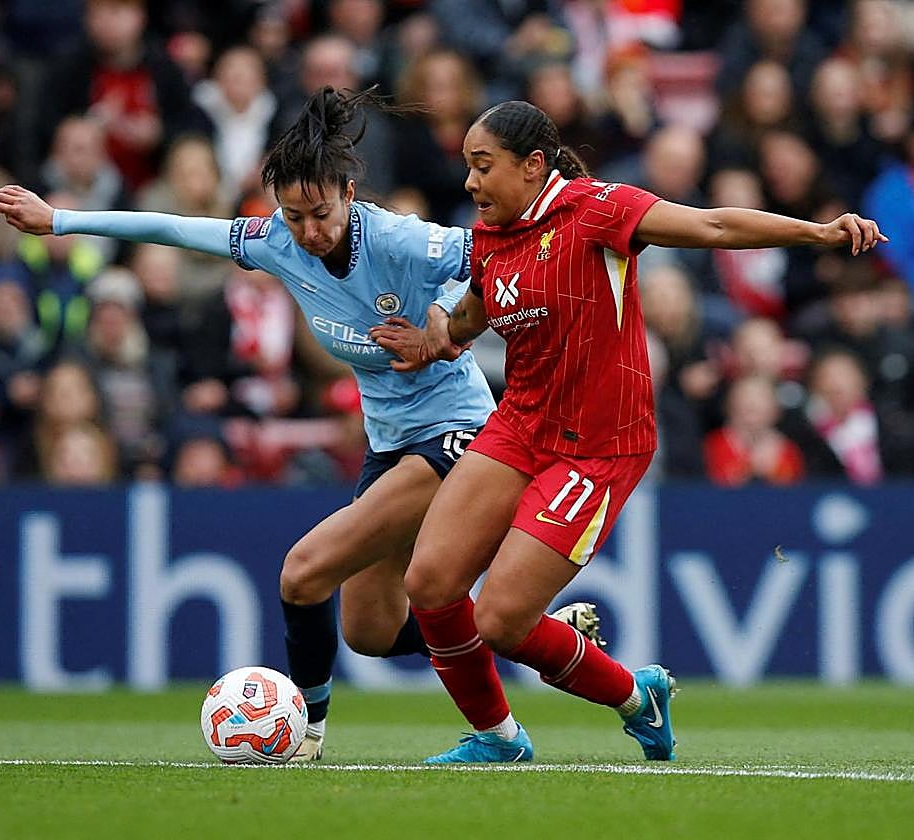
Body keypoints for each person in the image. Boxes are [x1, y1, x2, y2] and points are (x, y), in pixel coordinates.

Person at [0, 87, 598, 763]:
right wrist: (61, 220)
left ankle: (304, 735)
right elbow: (174, 227)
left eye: (321, 213)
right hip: (390, 444)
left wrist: (445, 323)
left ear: (349, 191)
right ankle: (535, 636)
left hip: (459, 434)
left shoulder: (397, 239)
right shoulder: (277, 243)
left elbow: (489, 258)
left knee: (303, 573)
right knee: (371, 629)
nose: (309, 231)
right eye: (294, 215)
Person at [370, 100, 885, 763]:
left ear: (532, 167)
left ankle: (637, 699)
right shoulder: (492, 237)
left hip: (599, 446)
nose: (470, 183)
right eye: (467, 168)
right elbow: (472, 315)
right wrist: (431, 340)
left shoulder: (600, 209)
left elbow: (714, 223)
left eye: (482, 166)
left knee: (500, 620)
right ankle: (499, 739)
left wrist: (817, 234)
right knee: (431, 581)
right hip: (519, 426)